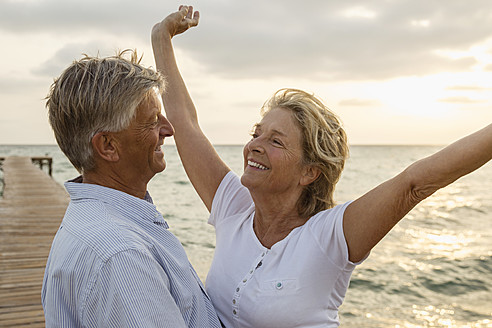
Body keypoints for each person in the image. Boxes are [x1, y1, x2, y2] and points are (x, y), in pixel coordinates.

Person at [152, 6, 492, 328]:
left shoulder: (330, 236)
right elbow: (186, 123)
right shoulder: (233, 206)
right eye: (257, 133)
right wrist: (161, 37)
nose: (255, 145)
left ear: (309, 172)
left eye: (276, 141)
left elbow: (414, 183)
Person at [41, 50, 222, 327]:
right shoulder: (122, 256)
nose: (168, 129)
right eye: (152, 120)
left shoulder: (95, 224)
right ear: (108, 146)